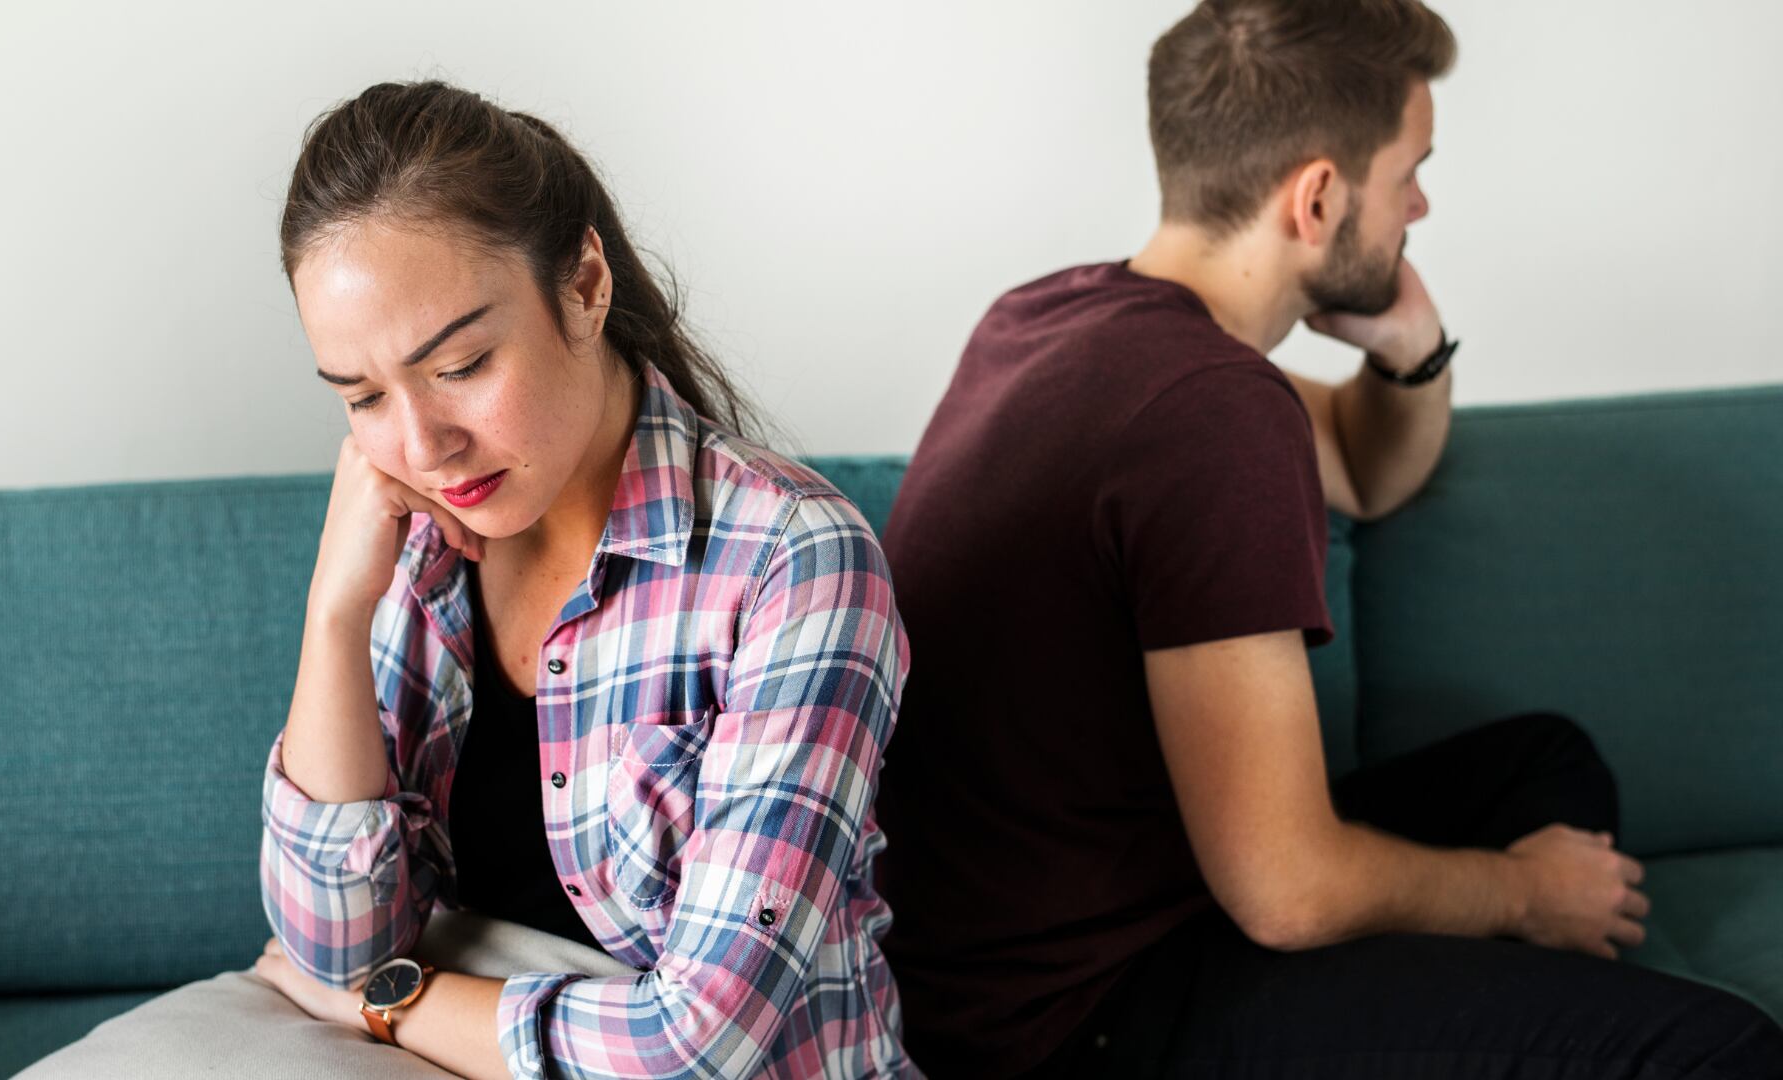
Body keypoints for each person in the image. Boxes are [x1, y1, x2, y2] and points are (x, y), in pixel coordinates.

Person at [873, 1, 1783, 1077]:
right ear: (1316, 197)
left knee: (1546, 762)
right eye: (1409, 172)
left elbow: (1364, 467)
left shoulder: (1050, 317)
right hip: (1083, 1017)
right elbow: (1288, 893)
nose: (1420, 204)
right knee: (1728, 1049)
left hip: (1059, 925)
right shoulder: (1211, 409)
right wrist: (1524, 896)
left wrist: (1413, 346)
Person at [246, 80, 916, 1079]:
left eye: (461, 366)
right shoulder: (415, 547)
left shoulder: (793, 562)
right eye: (364, 397)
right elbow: (331, 945)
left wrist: (392, 1004)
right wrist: (335, 614)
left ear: (586, 285)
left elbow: (698, 1046)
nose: (423, 446)